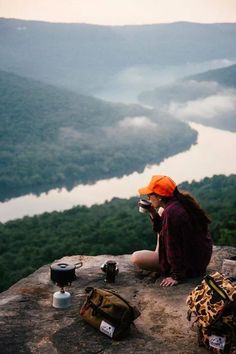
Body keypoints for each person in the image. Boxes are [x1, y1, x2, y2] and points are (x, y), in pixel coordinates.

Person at [131, 175, 213, 287]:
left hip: (191, 265)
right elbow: (161, 229)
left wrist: (176, 275)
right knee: (160, 211)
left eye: (150, 195)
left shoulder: (172, 213)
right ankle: (160, 256)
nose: (148, 198)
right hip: (198, 257)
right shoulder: (178, 202)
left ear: (159, 196)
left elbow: (173, 246)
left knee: (136, 258)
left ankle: (162, 260)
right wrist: (152, 212)